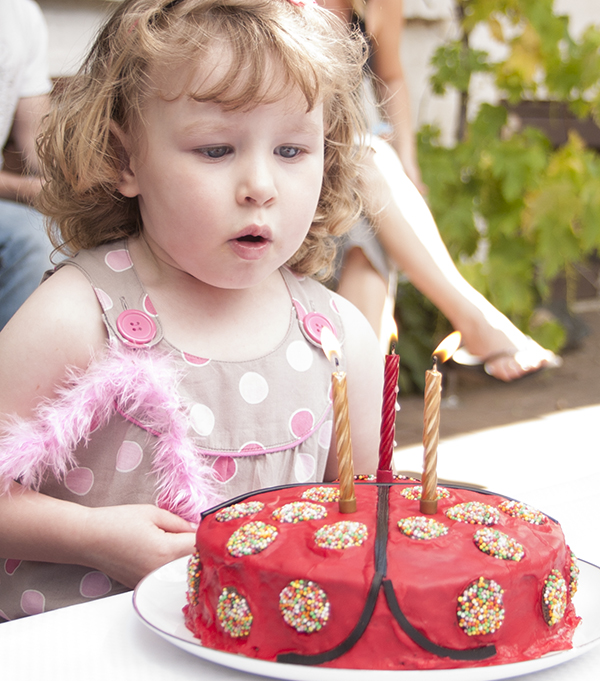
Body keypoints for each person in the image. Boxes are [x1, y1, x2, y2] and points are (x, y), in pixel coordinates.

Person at [0, 0, 383, 620]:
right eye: (214, 150)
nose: (260, 184)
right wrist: (93, 539)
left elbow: (365, 509)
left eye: (291, 150)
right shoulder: (79, 315)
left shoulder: (339, 340)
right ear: (126, 160)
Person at [322, 0, 559, 381]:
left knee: (366, 231)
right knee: (369, 158)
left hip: (351, 161)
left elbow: (391, 77)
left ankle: (353, 414)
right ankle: (475, 320)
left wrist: (408, 163)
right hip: (292, 150)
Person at [0, 0, 54, 330]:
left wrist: (69, 182)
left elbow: (38, 138)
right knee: (35, 239)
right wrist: (25, 189)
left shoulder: (20, 13)